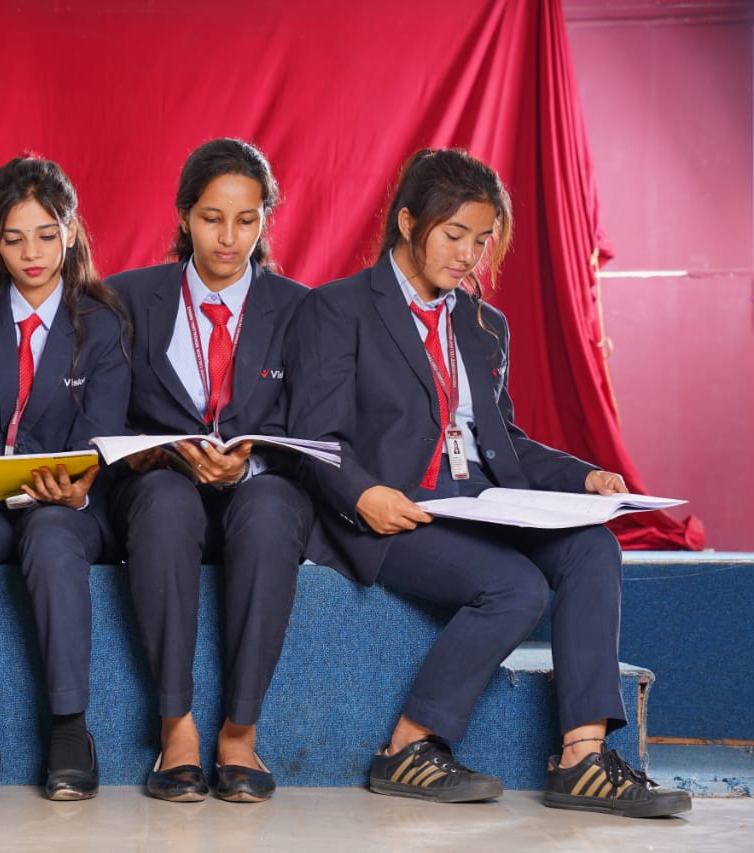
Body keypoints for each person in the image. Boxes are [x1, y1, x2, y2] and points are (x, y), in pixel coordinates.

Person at [284, 148, 690, 818]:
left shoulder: (482, 324)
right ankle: (409, 746)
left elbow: (504, 441)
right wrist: (361, 495)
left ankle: (583, 757)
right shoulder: (339, 308)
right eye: (454, 236)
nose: (469, 255)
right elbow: (314, 440)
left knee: (595, 546)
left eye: (482, 240)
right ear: (409, 222)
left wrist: (583, 475)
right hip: (393, 511)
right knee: (516, 586)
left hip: (482, 505)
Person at [106, 138, 318, 803]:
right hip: (163, 487)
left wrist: (249, 465)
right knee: (165, 502)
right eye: (211, 218)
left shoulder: (301, 307)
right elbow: (102, 412)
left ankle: (239, 733)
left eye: (246, 220)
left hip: (259, 489)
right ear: (182, 215)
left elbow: (313, 426)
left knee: (270, 509)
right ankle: (177, 730)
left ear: (266, 220)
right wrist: (153, 450)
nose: (229, 238)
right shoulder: (127, 297)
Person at [0, 156, 130, 801]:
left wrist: (82, 486)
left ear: (70, 230)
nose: (31, 253)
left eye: (45, 234)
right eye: (13, 238)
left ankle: (70, 729)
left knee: (55, 537)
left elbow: (103, 436)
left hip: (64, 502)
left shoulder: (104, 322)